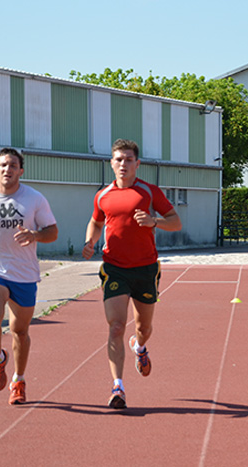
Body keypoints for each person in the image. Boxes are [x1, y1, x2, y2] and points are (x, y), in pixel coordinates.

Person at [82, 139, 181, 409]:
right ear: (111, 163)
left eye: (128, 159)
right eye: (118, 159)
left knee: (143, 328)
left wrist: (154, 221)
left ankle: (139, 346)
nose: (123, 164)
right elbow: (96, 220)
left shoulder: (149, 192)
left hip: (145, 268)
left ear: (137, 163)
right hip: (114, 267)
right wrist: (90, 241)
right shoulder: (102, 195)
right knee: (115, 327)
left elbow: (175, 221)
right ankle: (118, 388)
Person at [0, 148, 58, 405]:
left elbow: (52, 231)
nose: (8, 169)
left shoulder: (34, 198)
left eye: (13, 165)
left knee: (19, 330)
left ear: (20, 171)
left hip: (24, 272)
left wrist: (35, 235)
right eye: (3, 165)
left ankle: (19, 379)